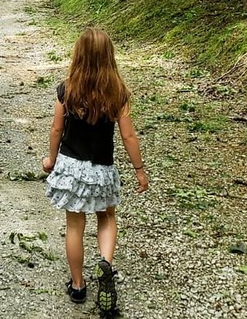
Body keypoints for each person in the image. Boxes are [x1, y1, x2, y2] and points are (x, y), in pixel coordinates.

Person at [41, 28, 148, 319]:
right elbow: (129, 137)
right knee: (107, 216)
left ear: (79, 55)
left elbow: (56, 129)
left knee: (75, 226)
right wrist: (139, 171)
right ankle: (105, 264)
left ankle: (77, 285)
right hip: (102, 168)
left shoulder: (67, 89)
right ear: (109, 57)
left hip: (71, 166)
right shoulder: (118, 93)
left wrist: (50, 160)